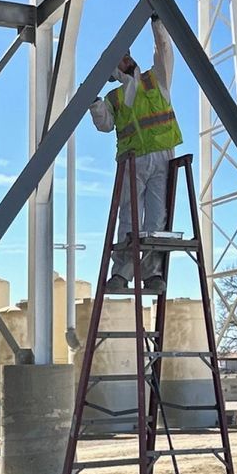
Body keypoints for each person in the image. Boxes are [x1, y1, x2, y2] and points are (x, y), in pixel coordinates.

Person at [90, 15, 182, 293]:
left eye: (126, 54)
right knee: (129, 219)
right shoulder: (113, 98)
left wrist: (157, 22)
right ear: (113, 70)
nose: (126, 59)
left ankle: (152, 273)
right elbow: (104, 125)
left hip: (161, 156)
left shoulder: (156, 79)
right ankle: (122, 273)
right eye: (119, 58)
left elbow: (164, 50)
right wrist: (92, 101)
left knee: (157, 219)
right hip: (131, 160)